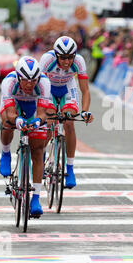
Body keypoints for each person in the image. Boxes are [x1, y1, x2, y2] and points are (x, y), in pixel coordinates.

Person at [0, 56, 54, 216]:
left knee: (37, 150)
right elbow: (9, 113)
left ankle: (35, 198)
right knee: (7, 124)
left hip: (34, 105)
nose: (30, 84)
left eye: (33, 80)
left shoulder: (44, 83)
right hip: (14, 104)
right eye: (25, 80)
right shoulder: (8, 82)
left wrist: (37, 122)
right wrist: (17, 120)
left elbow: (43, 113)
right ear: (18, 77)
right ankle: (6, 153)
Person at [40, 36, 94, 189]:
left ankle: (69, 168)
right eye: (63, 58)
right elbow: (39, 87)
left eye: (70, 57)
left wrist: (84, 112)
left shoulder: (79, 62)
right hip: (48, 88)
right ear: (56, 55)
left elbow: (85, 90)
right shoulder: (46, 60)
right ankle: (41, 156)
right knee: (49, 120)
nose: (66, 62)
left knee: (69, 122)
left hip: (67, 89)